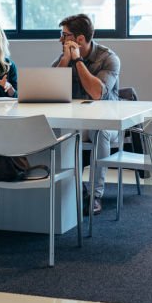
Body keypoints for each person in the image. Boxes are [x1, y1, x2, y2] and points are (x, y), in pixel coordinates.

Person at [51, 13, 121, 215]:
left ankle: (94, 195)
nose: (60, 40)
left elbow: (97, 94)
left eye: (64, 35)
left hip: (109, 122)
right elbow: (50, 87)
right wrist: (65, 60)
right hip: (78, 121)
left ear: (79, 39)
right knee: (57, 129)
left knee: (101, 132)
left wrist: (78, 60)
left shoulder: (109, 59)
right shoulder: (63, 56)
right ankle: (74, 189)